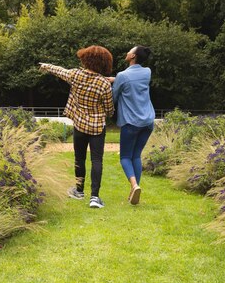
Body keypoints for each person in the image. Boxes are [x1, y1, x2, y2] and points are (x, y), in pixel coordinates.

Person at [39, 45, 114, 209]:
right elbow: (109, 110)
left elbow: (60, 71)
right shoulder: (104, 84)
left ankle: (79, 191)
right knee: (96, 160)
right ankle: (94, 197)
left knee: (79, 158)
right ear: (104, 63)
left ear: (86, 59)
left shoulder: (75, 75)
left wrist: (45, 66)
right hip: (97, 128)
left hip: (79, 125)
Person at [111, 45, 155, 205]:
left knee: (125, 157)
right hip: (148, 121)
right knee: (136, 155)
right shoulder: (147, 72)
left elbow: (114, 96)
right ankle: (134, 190)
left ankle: (134, 185)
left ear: (133, 56)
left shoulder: (122, 75)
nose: (127, 52)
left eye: (130, 50)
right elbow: (132, 81)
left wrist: (114, 82)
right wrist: (116, 80)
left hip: (131, 122)